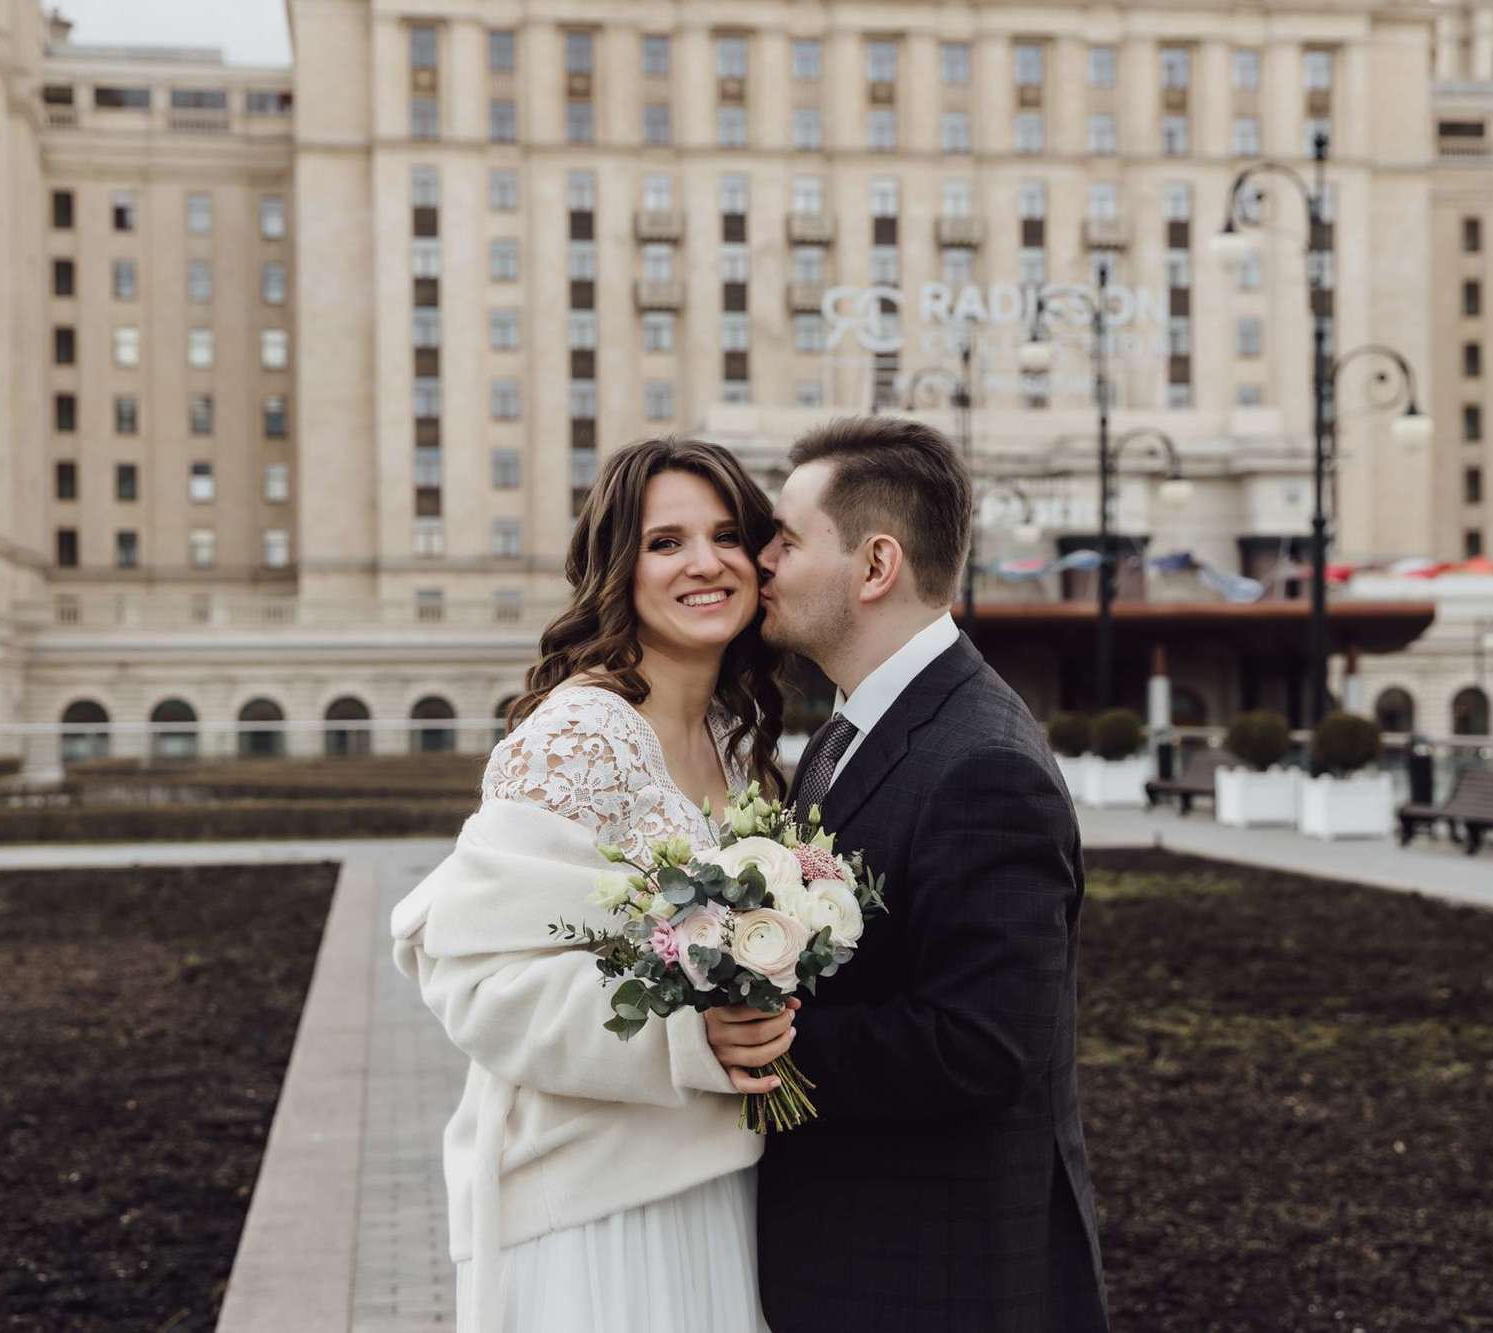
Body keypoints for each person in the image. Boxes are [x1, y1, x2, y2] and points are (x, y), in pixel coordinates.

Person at [704, 415, 1108, 1332]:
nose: (761, 560)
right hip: (860, 1263)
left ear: (875, 566)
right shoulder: (848, 735)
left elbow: (982, 1045)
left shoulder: (981, 764)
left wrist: (755, 1042)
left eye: (787, 539)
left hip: (941, 1279)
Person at [389, 437, 787, 1333]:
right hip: (592, 1208)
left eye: (727, 536)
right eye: (666, 542)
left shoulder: (737, 746)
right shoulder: (581, 736)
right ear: (620, 567)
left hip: (709, 1181)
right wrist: (693, 1038)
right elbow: (477, 980)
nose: (705, 563)